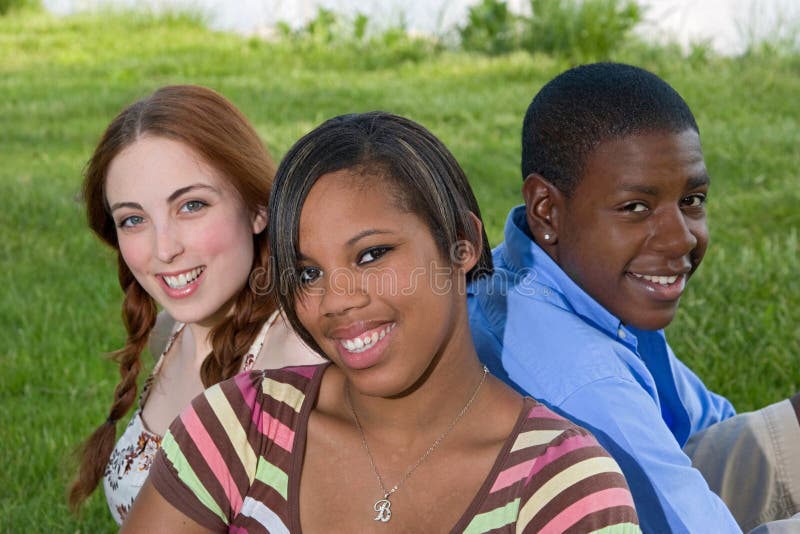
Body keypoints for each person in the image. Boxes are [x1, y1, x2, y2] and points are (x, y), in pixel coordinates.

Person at [120, 111, 640, 532]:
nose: (335, 300)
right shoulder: (242, 424)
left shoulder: (559, 485)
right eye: (307, 272)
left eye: (371, 255)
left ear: (463, 244)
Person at [467, 62, 800, 532]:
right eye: (636, 208)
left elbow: (706, 423)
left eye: (693, 200)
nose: (680, 238)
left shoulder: (558, 273)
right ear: (547, 209)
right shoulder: (581, 377)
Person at [68, 85, 323, 523]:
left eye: (191, 205)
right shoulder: (171, 333)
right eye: (133, 219)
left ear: (258, 207)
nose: (163, 249)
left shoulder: (298, 367)